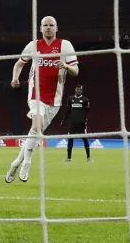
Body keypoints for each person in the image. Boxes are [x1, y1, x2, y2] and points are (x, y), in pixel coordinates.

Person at [6, 16, 78, 183]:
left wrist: (66, 66)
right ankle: (27, 163)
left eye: (51, 25)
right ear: (40, 28)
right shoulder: (33, 45)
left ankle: (16, 162)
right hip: (35, 94)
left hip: (55, 99)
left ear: (56, 28)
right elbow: (19, 64)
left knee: (36, 133)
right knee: (36, 126)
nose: (48, 28)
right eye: (45, 25)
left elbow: (76, 70)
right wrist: (15, 78)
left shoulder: (65, 45)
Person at [59, 85, 91, 162]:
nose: (78, 91)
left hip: (81, 123)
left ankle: (88, 157)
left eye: (80, 90)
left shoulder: (85, 100)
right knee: (70, 139)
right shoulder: (70, 99)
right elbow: (68, 111)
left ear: (82, 91)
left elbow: (87, 112)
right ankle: (69, 158)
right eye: (77, 89)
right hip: (72, 123)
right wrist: (64, 120)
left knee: (85, 140)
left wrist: (85, 120)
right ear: (75, 90)